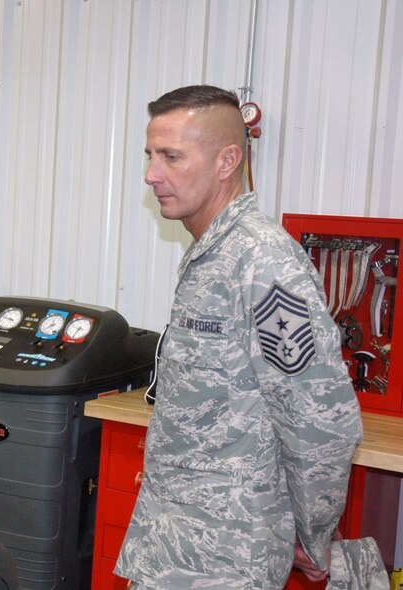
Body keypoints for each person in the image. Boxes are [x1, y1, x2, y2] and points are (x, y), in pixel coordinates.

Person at [114, 85, 364, 589]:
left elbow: (321, 421)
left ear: (228, 160)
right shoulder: (210, 253)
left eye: (171, 156)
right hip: (173, 546)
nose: (151, 175)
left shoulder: (264, 261)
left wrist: (313, 534)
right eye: (150, 155)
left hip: (225, 559)